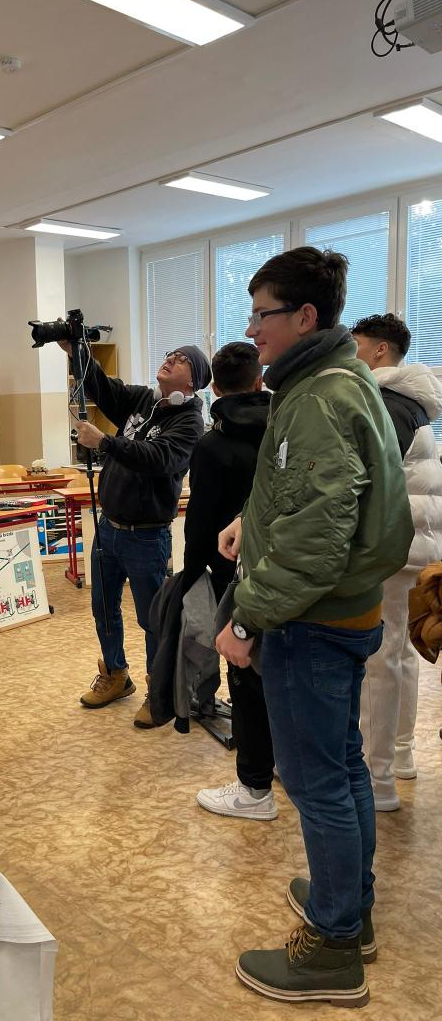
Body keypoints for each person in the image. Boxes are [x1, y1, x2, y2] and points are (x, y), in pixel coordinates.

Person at [215, 248, 413, 1007]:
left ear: (304, 316)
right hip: (346, 607)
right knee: (345, 767)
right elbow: (308, 496)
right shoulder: (336, 379)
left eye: (261, 313)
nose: (250, 328)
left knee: (316, 781)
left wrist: (246, 618)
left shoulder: (317, 397)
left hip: (312, 619)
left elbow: (319, 533)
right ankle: (350, 907)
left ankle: (332, 947)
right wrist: (250, 519)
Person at [59, 340, 210, 711]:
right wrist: (76, 350)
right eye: (170, 354)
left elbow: (158, 458)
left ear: (193, 382)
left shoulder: (190, 422)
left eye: (181, 360)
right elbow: (102, 386)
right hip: (107, 529)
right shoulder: (143, 399)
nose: (170, 359)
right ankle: (116, 675)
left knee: (151, 618)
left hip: (146, 536)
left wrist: (106, 443)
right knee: (103, 608)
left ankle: (158, 690)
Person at [159, 342, 275, 822]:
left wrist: (191, 572)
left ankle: (254, 784)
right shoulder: (283, 427)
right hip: (284, 569)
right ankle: (280, 760)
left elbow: (202, 518)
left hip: (233, 570)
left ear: (213, 388)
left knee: (243, 672)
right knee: (275, 670)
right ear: (259, 382)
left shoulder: (211, 444)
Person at [352, 313, 442, 810]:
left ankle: (377, 779)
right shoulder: (414, 403)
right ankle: (401, 756)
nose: (351, 353)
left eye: (357, 344)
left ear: (380, 350)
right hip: (418, 545)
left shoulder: (384, 403)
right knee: (401, 654)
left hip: (393, 547)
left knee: (381, 660)